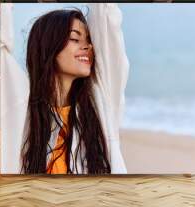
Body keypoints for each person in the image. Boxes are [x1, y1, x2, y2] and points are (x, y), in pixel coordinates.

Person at [21, 4, 129, 174]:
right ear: (48, 46)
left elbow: (106, 16)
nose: (88, 47)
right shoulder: (24, 116)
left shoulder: (102, 104)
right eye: (74, 39)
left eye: (89, 40)